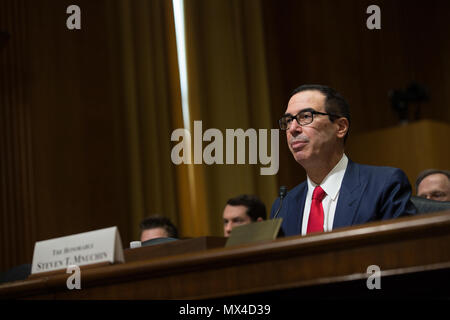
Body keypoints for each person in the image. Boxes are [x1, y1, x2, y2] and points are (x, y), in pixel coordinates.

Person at [270, 84, 417, 236]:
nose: (293, 128)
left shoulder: (384, 185)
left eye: (306, 117)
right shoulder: (283, 206)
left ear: (340, 127)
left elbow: (401, 254)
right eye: (288, 121)